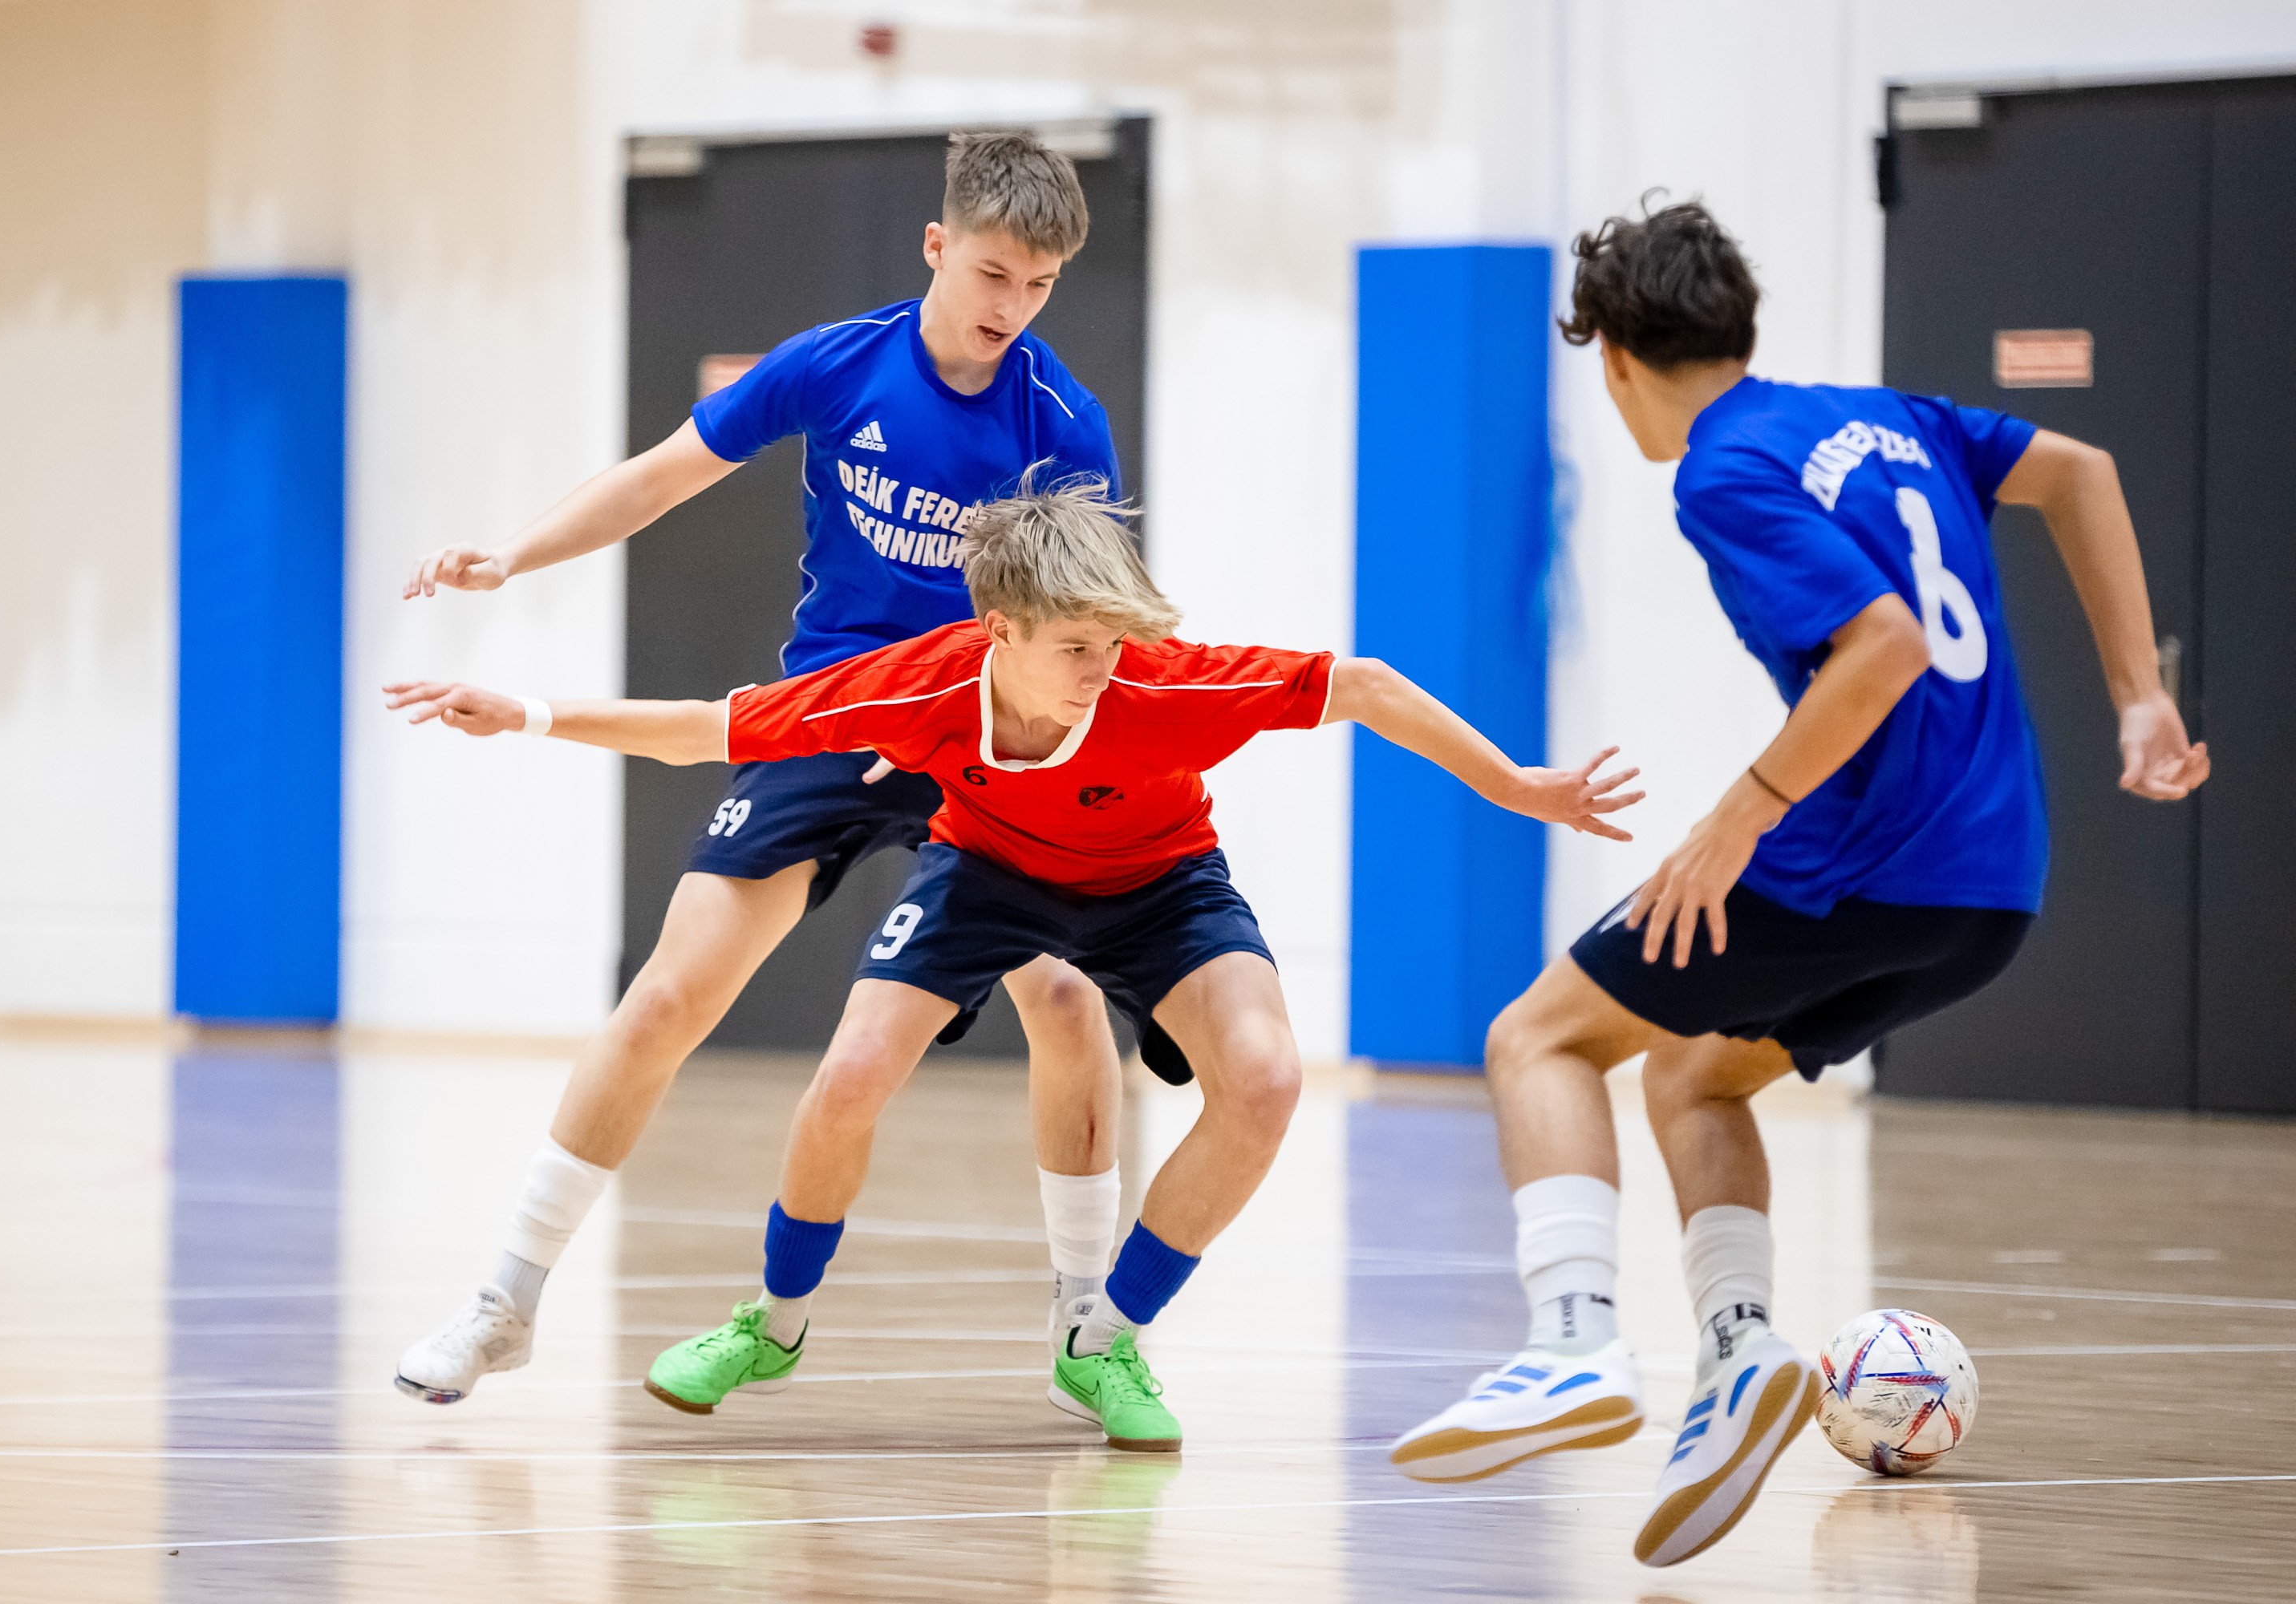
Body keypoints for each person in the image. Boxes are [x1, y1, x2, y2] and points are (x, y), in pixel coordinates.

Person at [386, 477, 1643, 1448]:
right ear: (999, 631)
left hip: (1160, 883)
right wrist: (530, 714)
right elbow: (710, 730)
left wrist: (1517, 786)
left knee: (1264, 1080)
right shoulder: (922, 685)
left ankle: (1106, 1339)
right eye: (1077, 646)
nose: (1105, 666)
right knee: (848, 1078)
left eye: (1115, 641)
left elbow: (1362, 685)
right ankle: (772, 1326)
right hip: (988, 875)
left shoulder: (1163, 684)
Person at [1388, 200, 2210, 1567]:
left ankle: (1574, 1342)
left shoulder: (1723, 470)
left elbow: (1882, 646)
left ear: (1616, 361)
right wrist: (2140, 695)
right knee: (1692, 1071)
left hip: (1860, 862)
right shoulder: (1893, 420)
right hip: (1992, 886)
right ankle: (1738, 1355)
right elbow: (2086, 471)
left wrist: (1740, 815)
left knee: (1538, 1037)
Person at [391, 132, 1139, 1408]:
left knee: (1067, 1000)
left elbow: (1091, 627)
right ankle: (505, 1302)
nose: (1012, 306)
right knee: (668, 997)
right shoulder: (839, 364)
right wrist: (512, 556)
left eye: (1040, 285)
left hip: (975, 733)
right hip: (829, 714)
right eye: (993, 273)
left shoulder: (1063, 426)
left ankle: (1089, 1324)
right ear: (938, 246)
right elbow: (659, 480)